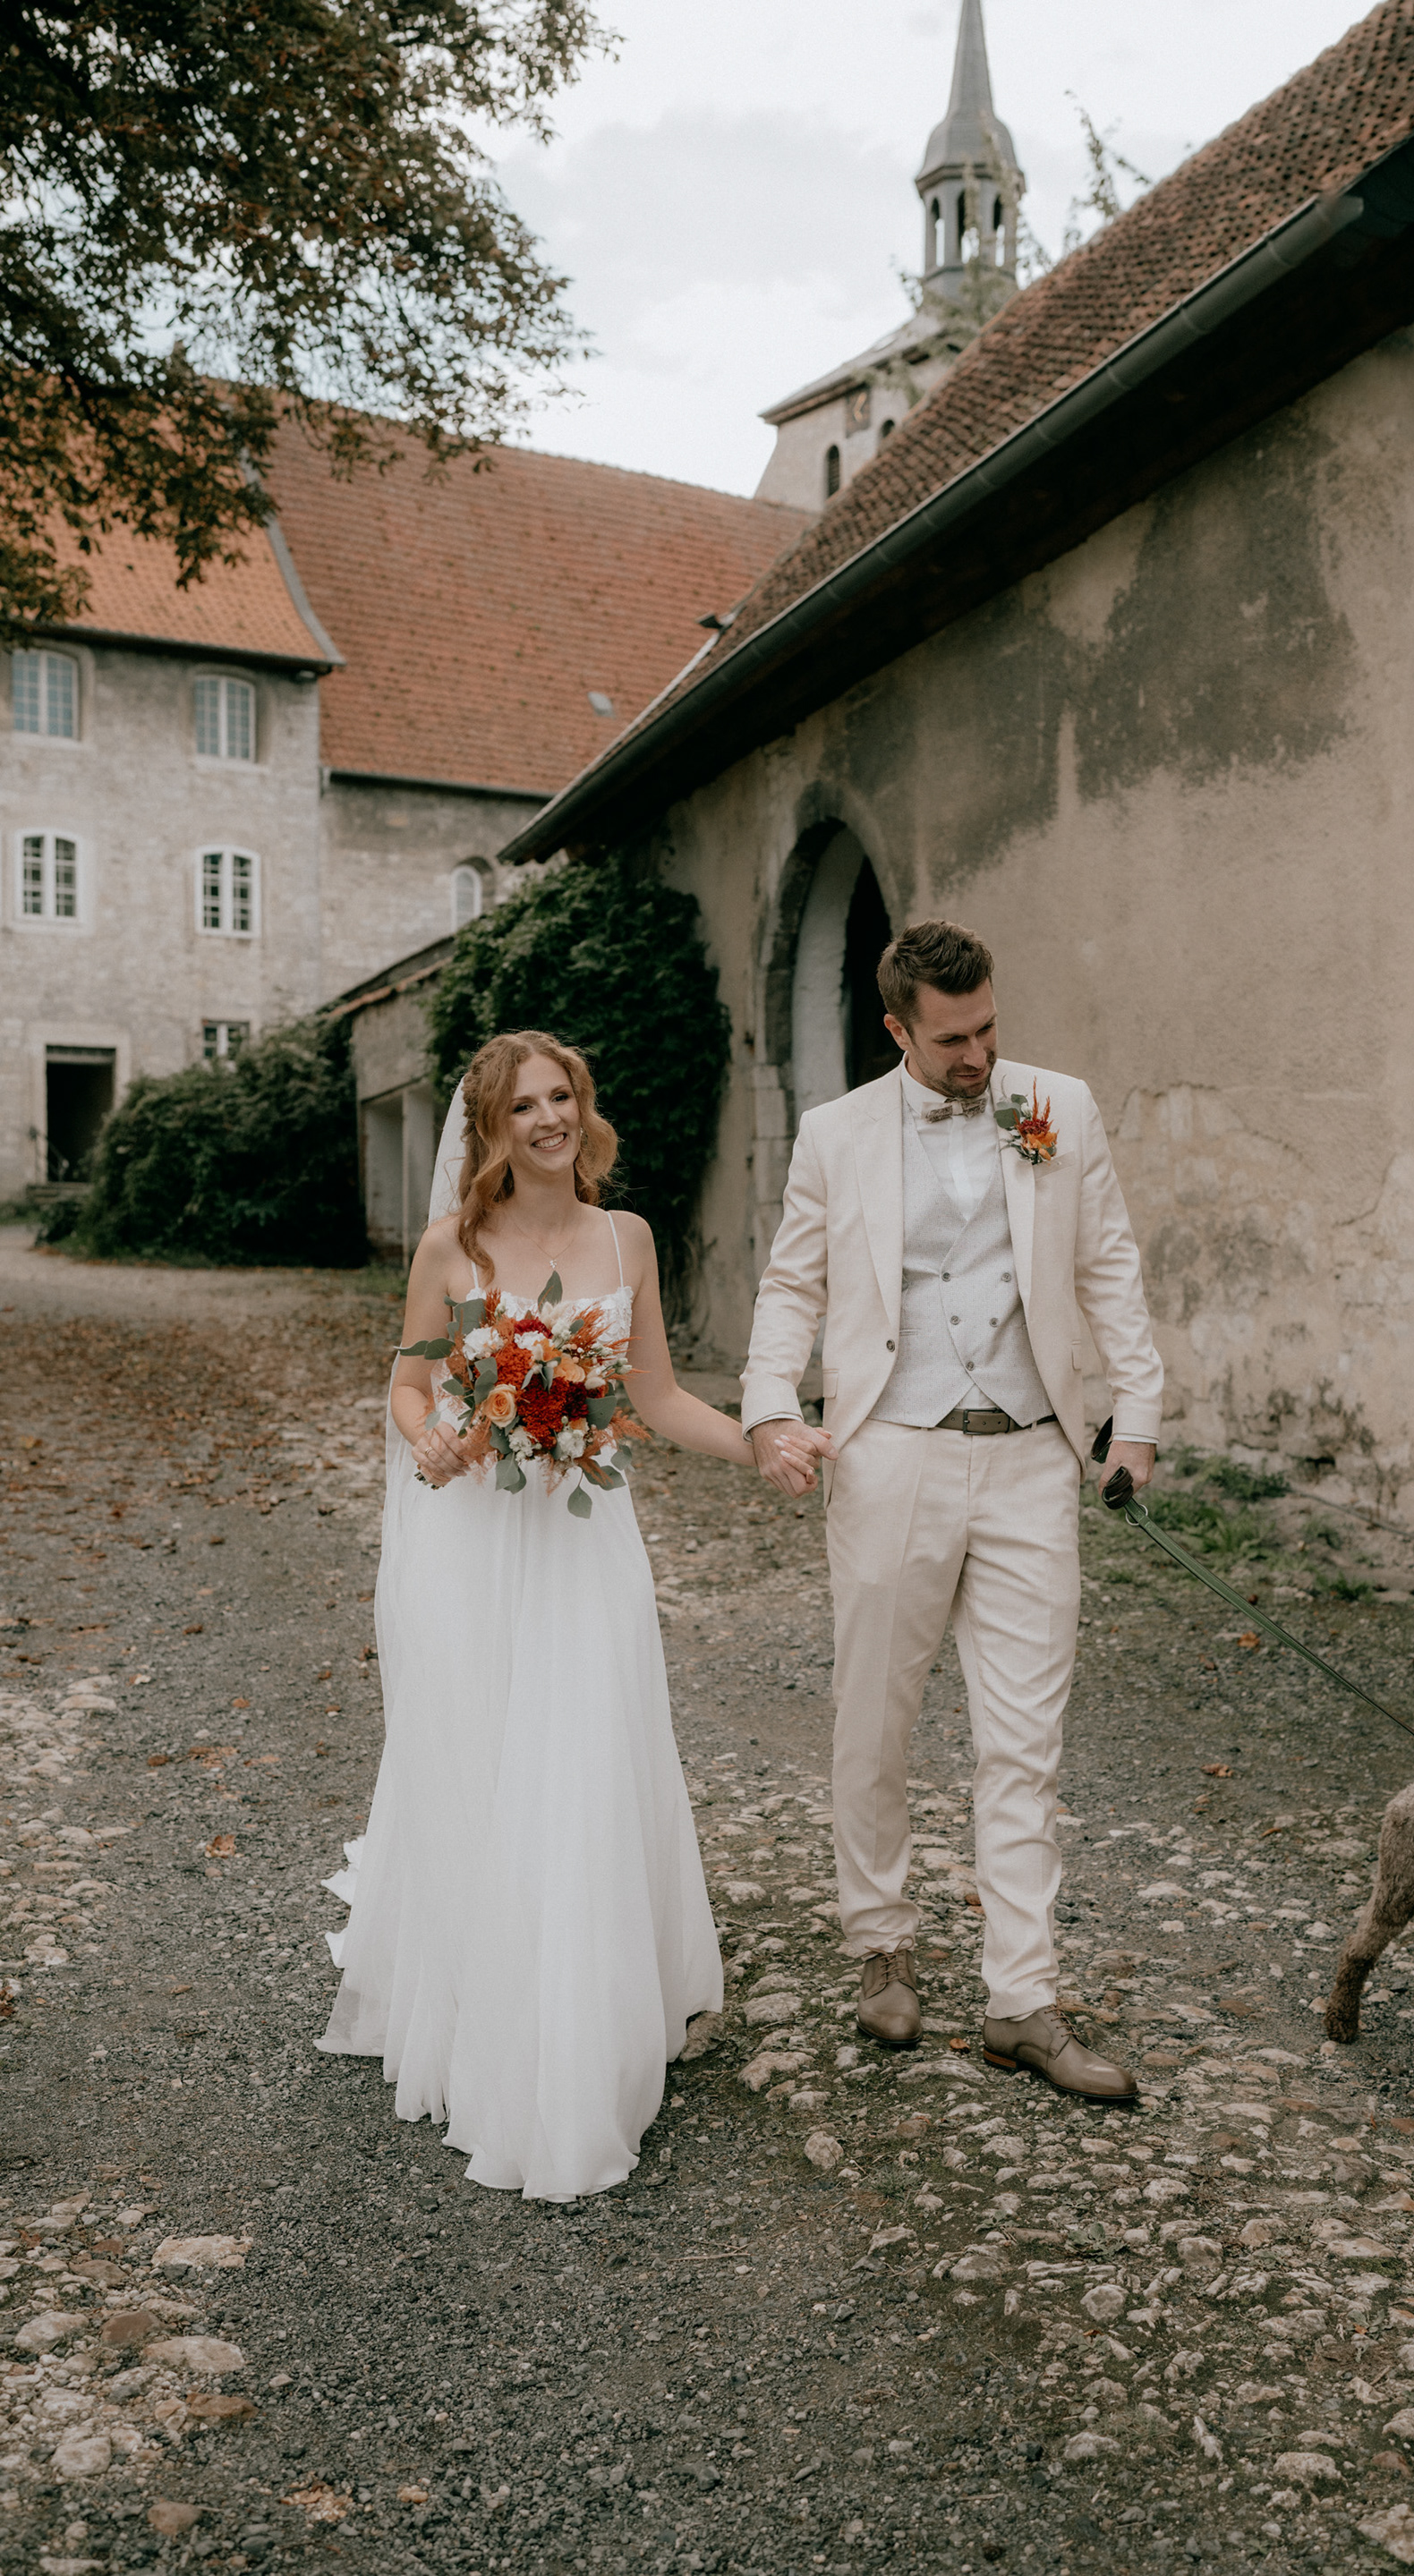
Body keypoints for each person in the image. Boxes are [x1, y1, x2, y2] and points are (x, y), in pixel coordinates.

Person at [319, 1030, 825, 2198]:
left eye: (561, 1098)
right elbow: (408, 1381)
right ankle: (493, 2002)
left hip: (585, 1543)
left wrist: (759, 1441)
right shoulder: (455, 1247)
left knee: (586, 1758)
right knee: (492, 1758)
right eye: (523, 1106)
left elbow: (651, 1394)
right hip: (476, 1543)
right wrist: (431, 1433)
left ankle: (586, 2014)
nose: (547, 1118)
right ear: (490, 1130)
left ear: (580, 1109)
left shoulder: (625, 1238)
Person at [744, 922, 1163, 2103]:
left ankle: (1021, 2001)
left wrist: (1136, 1421)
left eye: (988, 1029)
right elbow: (793, 1283)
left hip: (1035, 1457)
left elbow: (1109, 1264)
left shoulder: (1059, 1109)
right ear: (899, 1031)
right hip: (892, 1453)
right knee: (873, 1718)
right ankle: (880, 1935)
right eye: (953, 1039)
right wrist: (774, 1410)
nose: (980, 1054)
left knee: (1024, 1742)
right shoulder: (835, 1136)